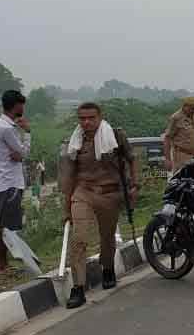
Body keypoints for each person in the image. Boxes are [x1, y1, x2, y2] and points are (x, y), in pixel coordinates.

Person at [59, 102, 139, 309]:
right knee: (79, 239)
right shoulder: (73, 143)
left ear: (99, 117)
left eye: (91, 118)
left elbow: (132, 159)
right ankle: (78, 288)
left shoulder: (115, 136)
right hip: (83, 192)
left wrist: (134, 185)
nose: (86, 122)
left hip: (110, 194)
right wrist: (66, 207)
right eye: (82, 118)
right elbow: (68, 177)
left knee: (107, 236)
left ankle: (108, 268)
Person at [0, 89, 31, 272]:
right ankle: (3, 263)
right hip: (9, 182)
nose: (23, 108)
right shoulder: (6, 128)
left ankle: (8, 261)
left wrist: (20, 153)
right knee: (6, 224)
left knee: (10, 223)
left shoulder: (6, 126)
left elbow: (19, 154)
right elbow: (23, 153)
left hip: (10, 181)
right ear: (16, 106)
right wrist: (28, 133)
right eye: (21, 104)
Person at [162, 96, 194, 172]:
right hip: (183, 156)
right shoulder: (176, 118)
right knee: (183, 180)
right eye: (192, 108)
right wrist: (167, 159)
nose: (193, 111)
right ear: (185, 106)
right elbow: (167, 138)